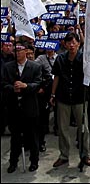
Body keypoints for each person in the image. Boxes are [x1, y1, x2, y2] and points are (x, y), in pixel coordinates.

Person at [50, 32, 90, 168]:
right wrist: (52, 94)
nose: (71, 45)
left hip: (79, 97)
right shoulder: (60, 59)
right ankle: (63, 155)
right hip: (63, 98)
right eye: (69, 43)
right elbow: (56, 76)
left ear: (78, 44)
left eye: (74, 42)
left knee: (83, 129)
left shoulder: (84, 59)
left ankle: (85, 154)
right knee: (63, 128)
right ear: (65, 44)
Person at [1, 41, 42, 173]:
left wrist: (26, 86)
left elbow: (38, 84)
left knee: (33, 136)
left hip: (30, 107)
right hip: (14, 108)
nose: (17, 53)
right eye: (15, 51)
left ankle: (34, 161)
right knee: (15, 137)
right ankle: (13, 162)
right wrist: (13, 88)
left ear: (26, 51)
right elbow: (3, 84)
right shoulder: (8, 67)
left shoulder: (35, 66)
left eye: (20, 51)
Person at [34, 45, 58, 152]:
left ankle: (56, 127)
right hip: (45, 89)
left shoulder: (59, 58)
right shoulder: (40, 58)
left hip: (57, 87)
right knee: (43, 114)